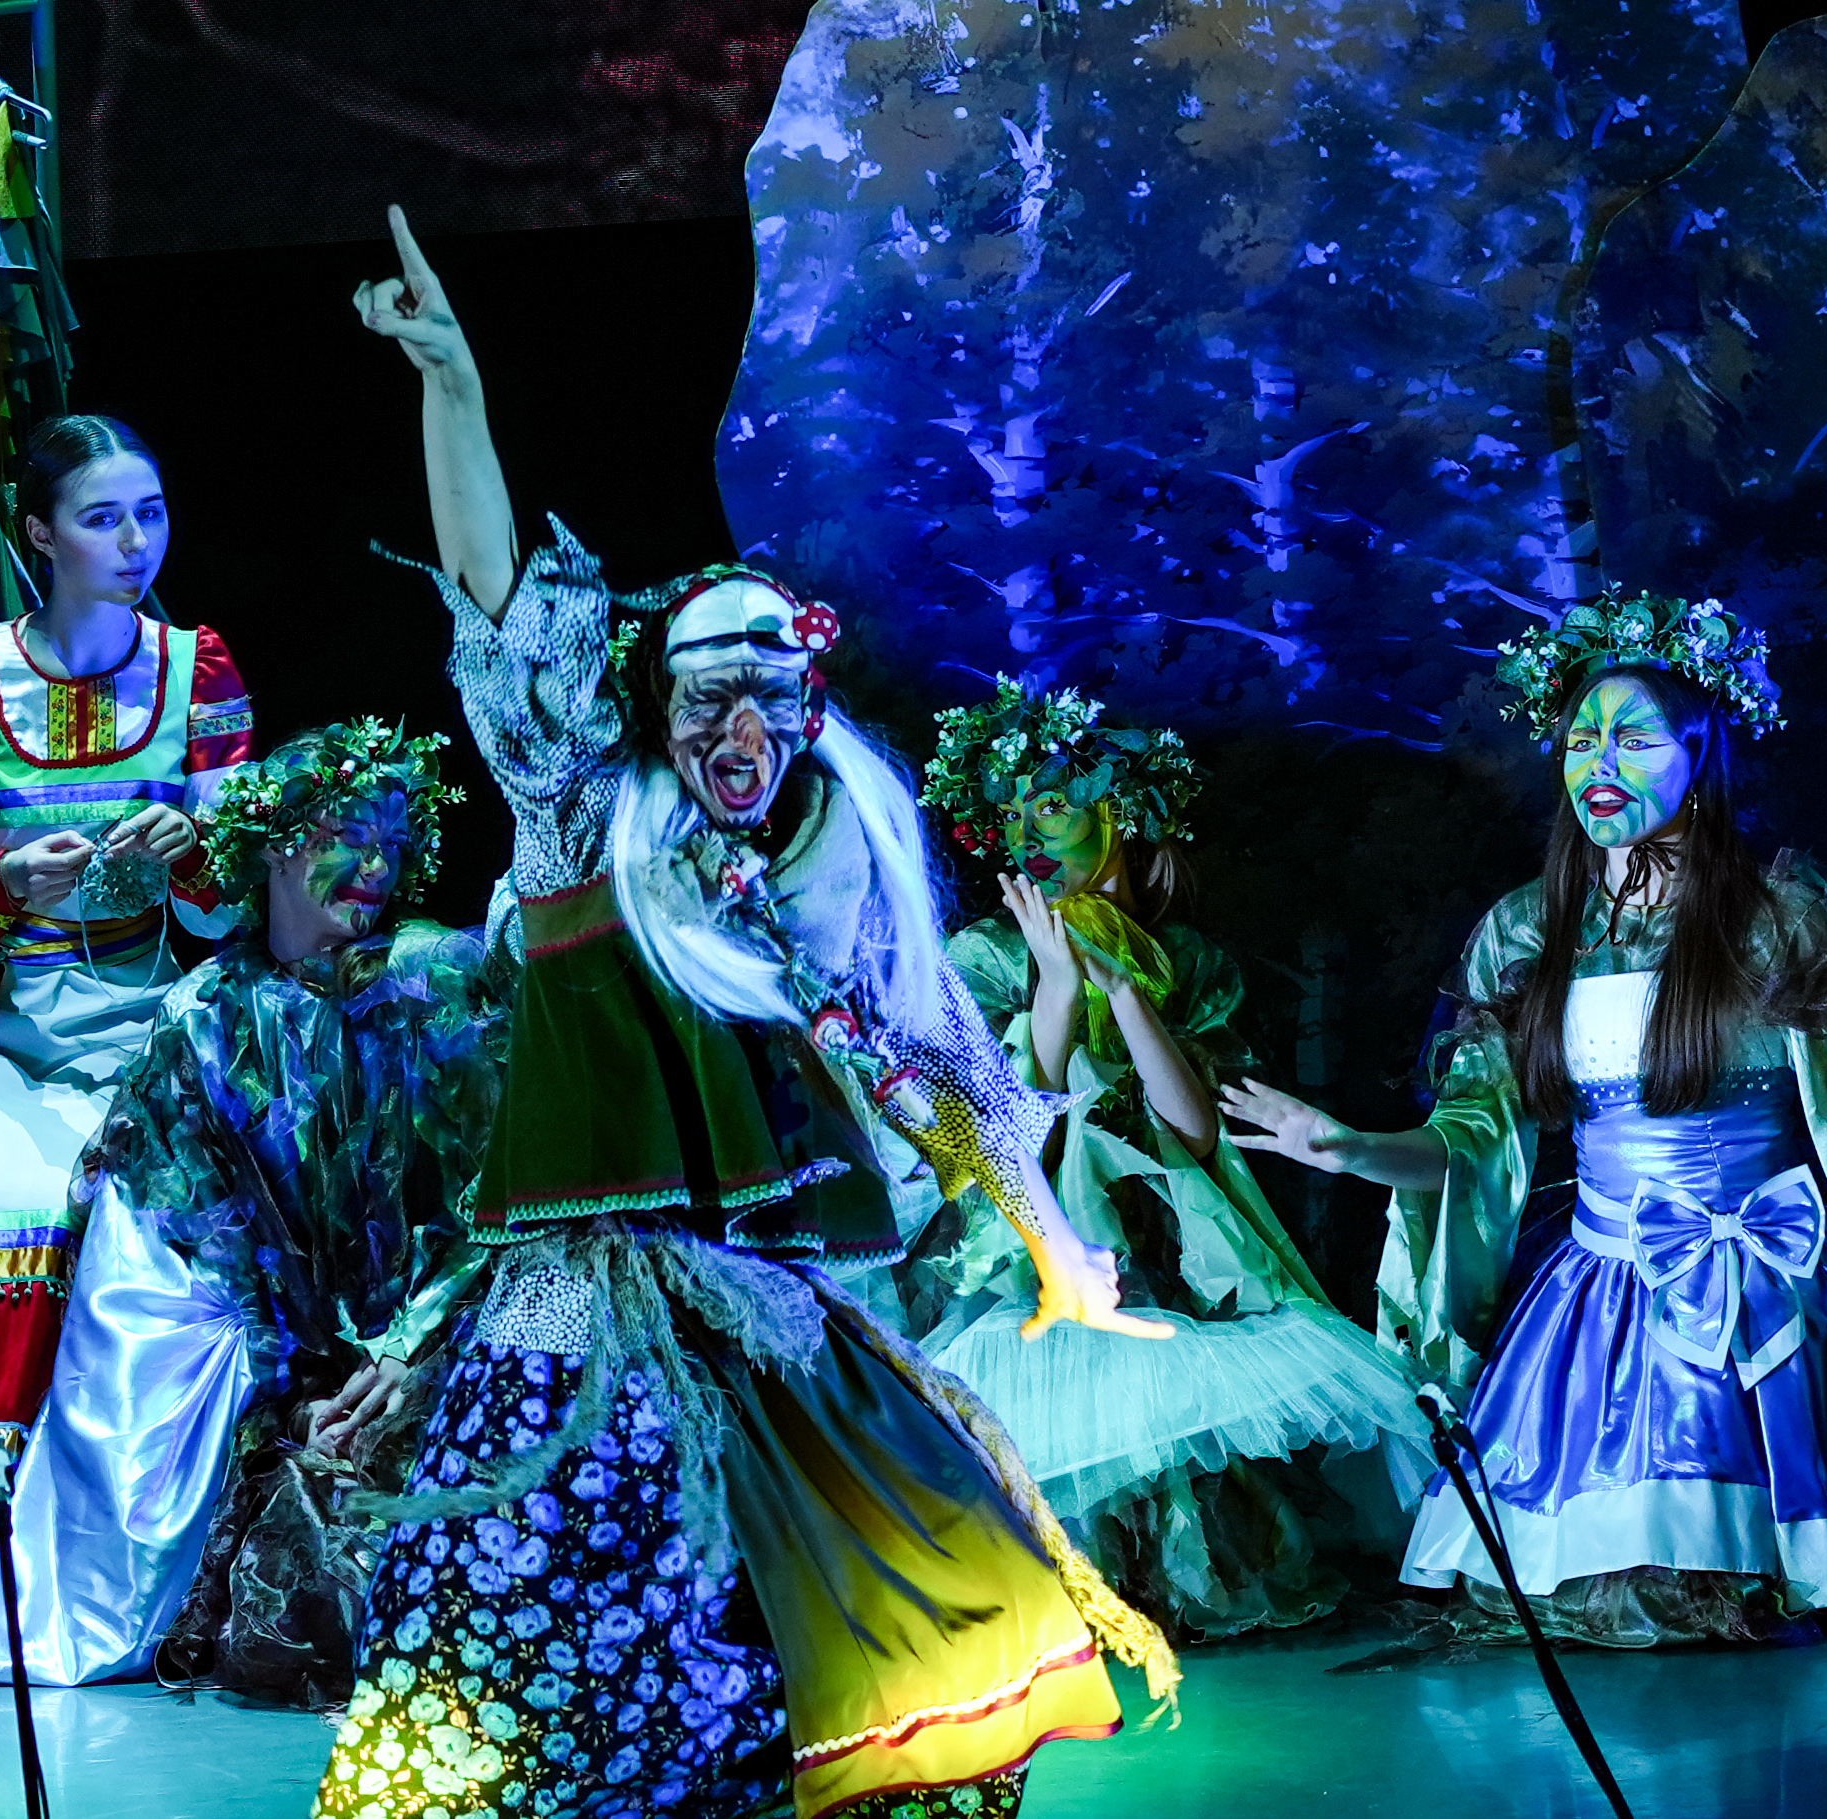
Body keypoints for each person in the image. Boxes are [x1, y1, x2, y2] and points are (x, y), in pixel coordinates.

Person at [311, 207, 1179, 1819]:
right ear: (653, 706)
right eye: (706, 689)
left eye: (771, 689)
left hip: (770, 1300)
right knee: (548, 1643)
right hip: (581, 1296)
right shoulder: (583, 823)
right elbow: (492, 595)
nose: (741, 720)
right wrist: (455, 391)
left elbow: (947, 1059)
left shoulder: (834, 879)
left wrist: (1058, 1244)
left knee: (858, 1625)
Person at [1223, 589, 1827, 1645]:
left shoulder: (1774, 919)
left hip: (1775, 1286)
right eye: (1581, 741)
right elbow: (1472, 1137)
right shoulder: (1527, 932)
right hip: (1604, 1286)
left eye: (1632, 739)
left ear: (1699, 754)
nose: (1599, 763)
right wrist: (1351, 1148)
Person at [0, 721, 496, 1701]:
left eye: (394, 842)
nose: (376, 866)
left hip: (438, 1344)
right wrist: (291, 1395)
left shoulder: (434, 982)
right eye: (349, 836)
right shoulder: (205, 1018)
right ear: (275, 845)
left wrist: (412, 1347)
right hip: (294, 1379)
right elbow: (170, 1265)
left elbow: (501, 1199)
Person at [896, 677, 1432, 1637]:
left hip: (1165, 1230)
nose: (1026, 831)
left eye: (1051, 805)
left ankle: (1164, 1578)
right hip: (1038, 1232)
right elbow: (1006, 1129)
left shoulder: (1186, 957)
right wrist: (1054, 994)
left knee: (1173, 1398)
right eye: (1011, 813)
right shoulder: (982, 957)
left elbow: (1196, 1132)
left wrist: (1125, 994)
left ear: (1117, 815)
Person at [0, 413, 253, 1617]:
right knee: (7, 1209)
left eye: (150, 513)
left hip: (149, 1025)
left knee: (162, 1223)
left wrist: (193, 854)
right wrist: (1, 883)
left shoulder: (199, 671)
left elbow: (234, 899)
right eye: (102, 518)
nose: (136, 541)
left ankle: (143, 1526)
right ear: (37, 534)